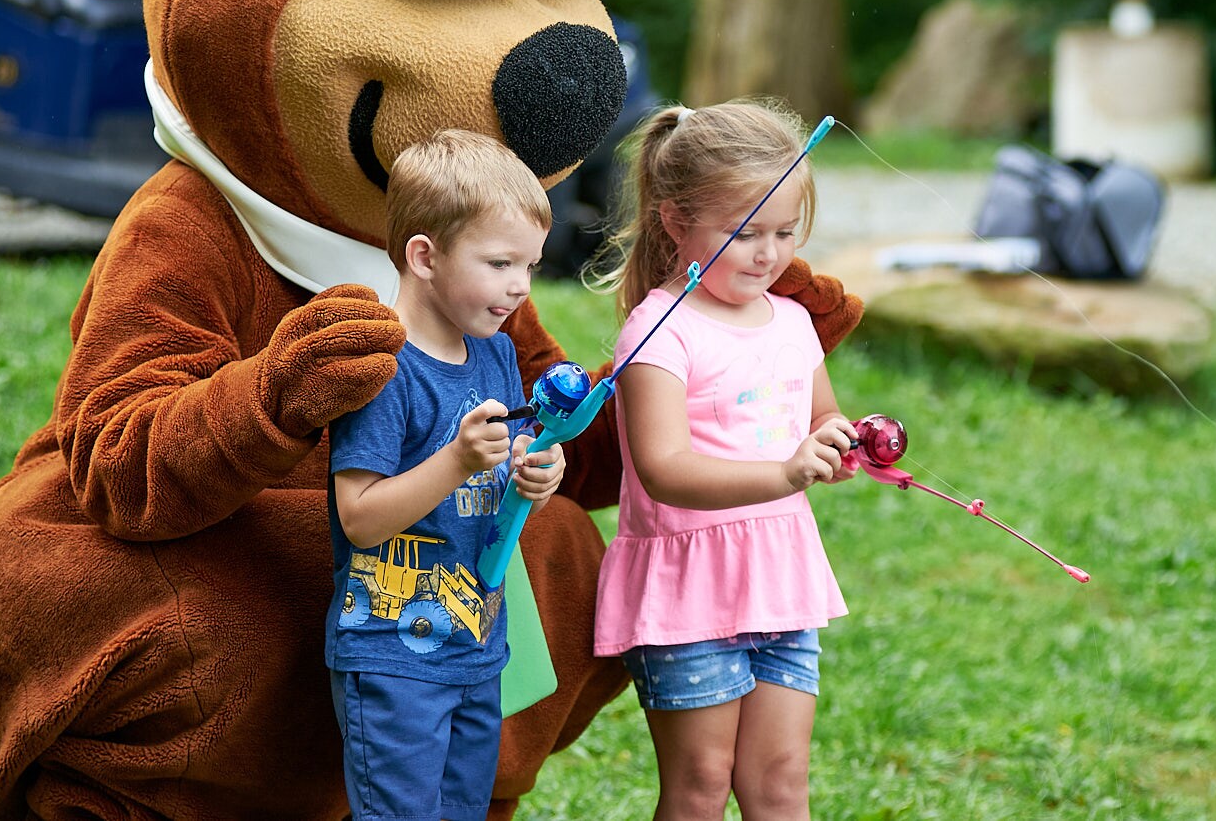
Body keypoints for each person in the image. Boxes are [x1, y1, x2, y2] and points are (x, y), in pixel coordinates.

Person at [591, 101, 857, 821]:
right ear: (676, 223)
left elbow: (820, 413)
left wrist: (839, 441)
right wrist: (783, 475)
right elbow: (662, 468)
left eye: (782, 233)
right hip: (688, 588)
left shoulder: (792, 320)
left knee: (778, 786)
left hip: (780, 577)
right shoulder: (657, 332)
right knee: (701, 785)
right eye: (745, 234)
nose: (768, 255)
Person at [326, 129, 567, 821]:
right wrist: (456, 458)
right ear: (424, 256)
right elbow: (360, 518)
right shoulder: (386, 370)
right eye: (499, 263)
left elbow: (499, 487)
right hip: (392, 657)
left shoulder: (494, 354)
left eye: (530, 265)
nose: (519, 286)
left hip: (476, 644)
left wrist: (536, 472)